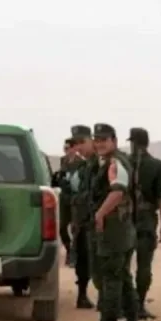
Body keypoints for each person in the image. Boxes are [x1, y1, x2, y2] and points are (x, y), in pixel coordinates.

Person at [81, 123, 139, 321]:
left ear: (114, 141)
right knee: (122, 277)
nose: (99, 144)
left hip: (114, 229)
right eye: (96, 140)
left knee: (111, 277)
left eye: (104, 140)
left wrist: (100, 214)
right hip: (118, 228)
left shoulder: (115, 163)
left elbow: (118, 191)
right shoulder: (109, 161)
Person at [128, 127, 161, 320]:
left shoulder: (123, 163)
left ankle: (124, 302)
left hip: (124, 220)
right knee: (144, 265)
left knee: (121, 264)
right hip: (146, 220)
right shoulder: (156, 166)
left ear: (132, 143)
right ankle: (139, 305)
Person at [65, 126, 95, 309]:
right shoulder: (82, 167)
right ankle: (82, 295)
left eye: (82, 142)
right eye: (76, 143)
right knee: (83, 259)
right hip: (82, 219)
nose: (78, 147)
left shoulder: (102, 163)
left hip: (97, 220)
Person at [56, 138, 77, 266]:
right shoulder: (63, 160)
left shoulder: (81, 162)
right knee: (62, 227)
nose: (66, 151)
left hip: (75, 198)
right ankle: (69, 249)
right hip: (64, 198)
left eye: (68, 148)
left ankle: (73, 255)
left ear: (74, 148)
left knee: (75, 228)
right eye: (64, 149)